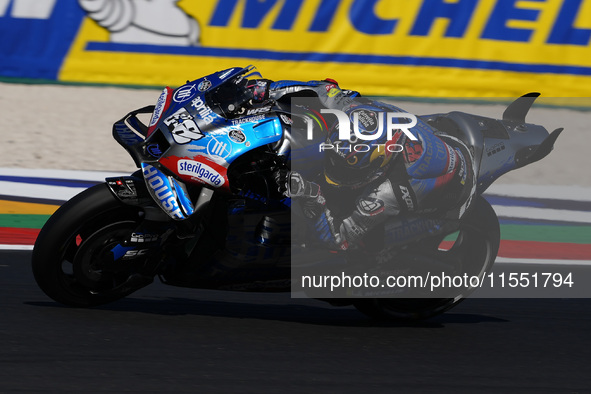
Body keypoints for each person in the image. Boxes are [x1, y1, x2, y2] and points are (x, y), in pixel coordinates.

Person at [243, 77, 476, 252]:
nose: (335, 172)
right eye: (336, 162)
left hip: (448, 195)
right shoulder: (352, 110)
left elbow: (339, 240)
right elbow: (322, 88)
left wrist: (311, 195)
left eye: (346, 169)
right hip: (426, 136)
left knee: (351, 256)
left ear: (377, 169)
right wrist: (267, 89)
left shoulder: (386, 194)